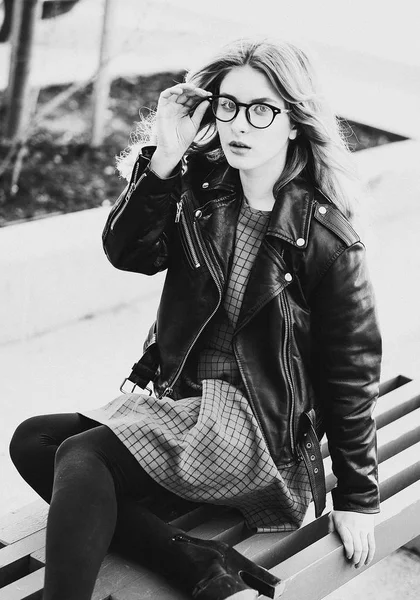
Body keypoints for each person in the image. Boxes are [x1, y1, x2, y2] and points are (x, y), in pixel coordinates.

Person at [9, 37, 382, 600]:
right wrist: (163, 155)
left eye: (262, 110)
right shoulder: (202, 189)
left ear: (293, 122)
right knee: (32, 439)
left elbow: (352, 373)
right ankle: (193, 561)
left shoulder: (325, 239)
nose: (239, 124)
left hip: (259, 431)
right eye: (228, 105)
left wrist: (358, 499)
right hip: (187, 404)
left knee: (83, 455)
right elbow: (129, 253)